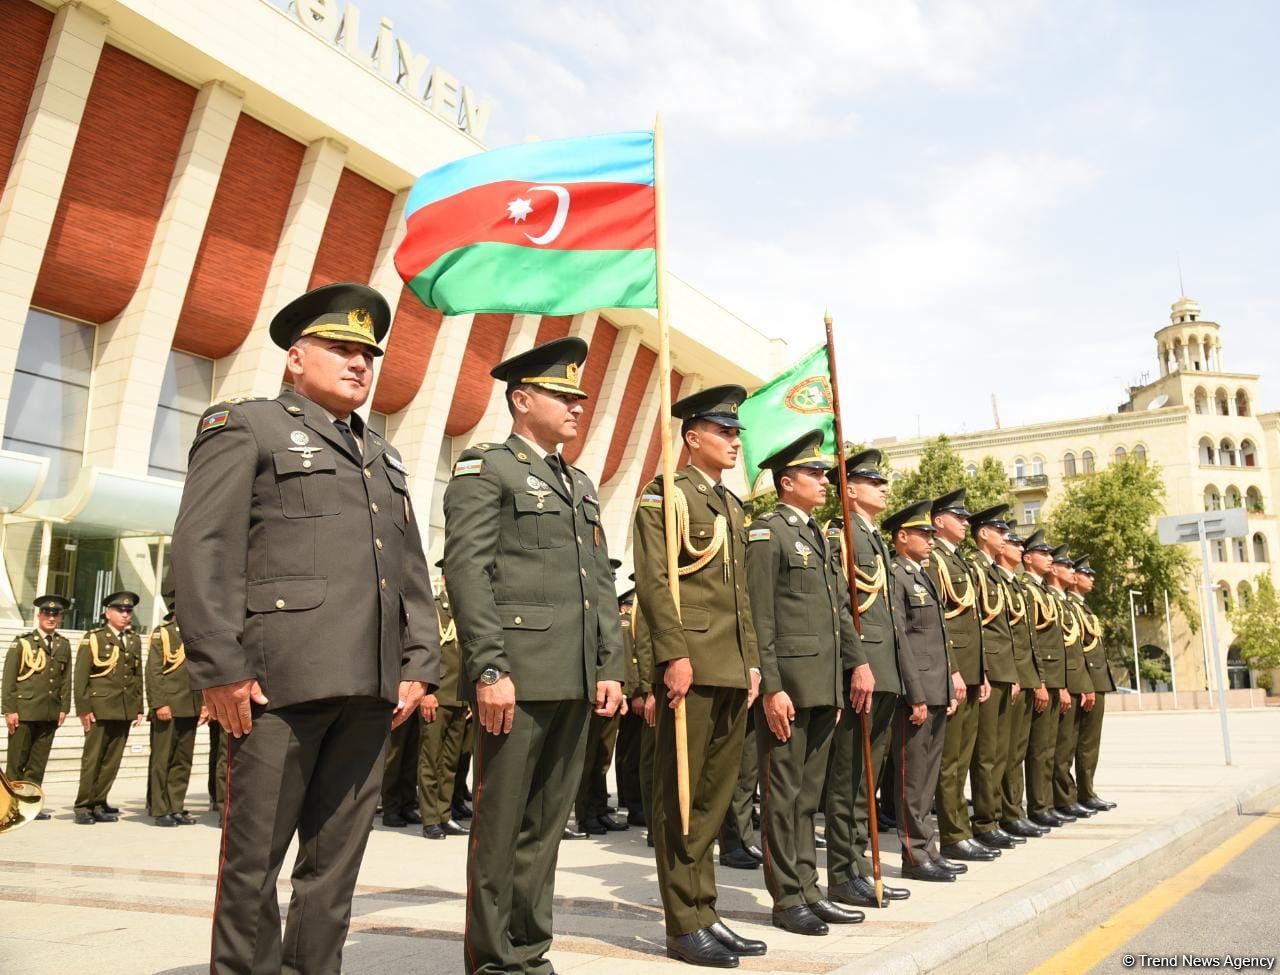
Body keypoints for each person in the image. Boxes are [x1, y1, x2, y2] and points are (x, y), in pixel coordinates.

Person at [171, 282, 440, 974]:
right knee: (252, 864)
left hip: (369, 688)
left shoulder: (383, 454)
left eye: (367, 354)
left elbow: (410, 569)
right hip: (275, 687)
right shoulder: (246, 425)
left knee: (333, 870)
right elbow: (202, 551)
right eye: (342, 348)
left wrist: (419, 662)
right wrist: (220, 667)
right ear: (296, 358)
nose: (359, 363)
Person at [444, 336, 624, 975]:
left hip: (573, 677)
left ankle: (530, 950)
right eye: (563, 395)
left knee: (545, 827)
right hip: (516, 677)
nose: (578, 406)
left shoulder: (576, 481)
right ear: (522, 401)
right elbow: (467, 571)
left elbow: (598, 583)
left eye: (580, 396)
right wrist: (489, 668)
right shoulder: (486, 467)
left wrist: (610, 666)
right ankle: (494, 960)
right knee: (500, 828)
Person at [633, 384, 764, 969]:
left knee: (712, 800)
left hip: (733, 667)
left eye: (737, 433)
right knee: (680, 800)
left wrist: (753, 661)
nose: (735, 442)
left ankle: (705, 910)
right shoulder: (667, 496)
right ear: (693, 437)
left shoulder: (733, 506)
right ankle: (683, 922)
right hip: (692, 664)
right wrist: (672, 656)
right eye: (724, 432)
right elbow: (656, 586)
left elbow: (743, 599)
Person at [747, 430, 863, 935]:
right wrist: (772, 687)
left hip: (822, 686)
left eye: (822, 473)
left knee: (807, 798)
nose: (823, 480)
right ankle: (786, 897)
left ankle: (809, 888)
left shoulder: (817, 535)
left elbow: (838, 611)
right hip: (789, 687)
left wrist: (849, 672)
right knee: (783, 794)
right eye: (814, 474)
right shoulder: (767, 532)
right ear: (786, 482)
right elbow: (760, 615)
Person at [824, 449, 909, 909]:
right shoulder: (843, 535)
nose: (884, 488)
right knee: (849, 775)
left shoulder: (871, 537)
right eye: (874, 482)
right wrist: (857, 661)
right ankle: (843, 872)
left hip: (884, 672)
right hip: (863, 671)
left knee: (867, 780)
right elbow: (841, 606)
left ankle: (859, 867)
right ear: (851, 489)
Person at [885, 500, 958, 882]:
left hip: (936, 688)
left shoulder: (922, 575)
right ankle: (914, 854)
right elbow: (901, 639)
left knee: (928, 775)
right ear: (902, 537)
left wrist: (947, 686)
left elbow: (938, 638)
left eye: (932, 533)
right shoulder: (896, 575)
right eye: (923, 534)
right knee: (912, 778)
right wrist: (914, 694)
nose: (931, 540)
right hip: (917, 692)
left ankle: (927, 846)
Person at [924, 489, 996, 865]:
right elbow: (939, 623)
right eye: (959, 517)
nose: (966, 523)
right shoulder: (934, 560)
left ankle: (962, 829)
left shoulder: (962, 563)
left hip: (969, 671)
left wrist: (979, 671)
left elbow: (975, 624)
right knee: (950, 760)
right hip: (952, 670)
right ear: (939, 522)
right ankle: (952, 834)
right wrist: (952, 669)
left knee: (965, 757)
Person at [966, 505, 1023, 851]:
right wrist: (983, 668)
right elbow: (976, 625)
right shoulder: (974, 569)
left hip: (1004, 669)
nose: (1005, 537)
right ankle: (985, 820)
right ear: (983, 534)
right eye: (999, 531)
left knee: (1001, 750)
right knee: (986, 752)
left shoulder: (996, 575)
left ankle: (998, 814)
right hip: (989, 667)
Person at [73, 590, 144, 825]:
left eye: (128, 611)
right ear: (107, 613)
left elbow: (137, 675)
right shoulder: (94, 637)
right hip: (100, 706)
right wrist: (84, 708)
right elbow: (81, 675)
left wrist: (139, 706)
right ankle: (84, 804)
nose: (125, 614)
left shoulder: (133, 639)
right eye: (120, 610)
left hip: (123, 708)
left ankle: (99, 800)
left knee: (112, 759)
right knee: (93, 758)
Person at [996, 529, 1049, 839]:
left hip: (1023, 675)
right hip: (1010, 674)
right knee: (1001, 752)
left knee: (1015, 750)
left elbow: (1030, 639)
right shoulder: (1008, 583)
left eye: (1015, 542)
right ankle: (1005, 813)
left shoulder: (1017, 586)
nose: (1014, 546)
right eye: (1013, 543)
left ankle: (1014, 810)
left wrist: (1036, 677)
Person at [2, 594, 73, 819]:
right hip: (24, 711)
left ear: (60, 618)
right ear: (38, 615)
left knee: (37, 763)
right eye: (46, 613)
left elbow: (65, 678)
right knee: (16, 762)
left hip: (49, 712)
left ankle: (29, 806)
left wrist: (64, 708)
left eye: (55, 614)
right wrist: (9, 710)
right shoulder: (22, 642)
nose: (51, 618)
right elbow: (9, 679)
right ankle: (8, 807)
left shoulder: (63, 644)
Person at [1018, 530, 1071, 829]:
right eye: (1044, 554)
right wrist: (1040, 680)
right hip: (1039, 676)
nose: (1050, 559)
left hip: (1050, 676)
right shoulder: (1026, 588)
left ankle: (1045, 804)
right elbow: (1031, 639)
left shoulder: (1044, 593)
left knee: (1048, 746)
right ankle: (1038, 806)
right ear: (1028, 558)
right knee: (1036, 748)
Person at [576, 558, 631, 835]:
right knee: (585, 759)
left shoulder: (610, 616)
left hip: (609, 689)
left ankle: (598, 809)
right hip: (589, 689)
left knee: (602, 756)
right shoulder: (586, 610)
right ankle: (584, 814)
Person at [418, 564, 471, 839]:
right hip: (437, 696)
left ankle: (444, 813)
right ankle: (430, 819)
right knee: (431, 760)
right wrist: (426, 692)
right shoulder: (433, 607)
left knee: (451, 761)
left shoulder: (467, 611)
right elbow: (425, 653)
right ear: (444, 579)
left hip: (459, 697)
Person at [145, 593, 205, 826]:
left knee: (183, 760)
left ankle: (176, 805)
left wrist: (203, 704)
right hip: (168, 705)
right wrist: (160, 703)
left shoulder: (197, 635)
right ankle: (160, 809)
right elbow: (154, 672)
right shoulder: (164, 634)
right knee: (162, 760)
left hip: (189, 705)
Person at [1048, 547, 1096, 821]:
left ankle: (1070, 796)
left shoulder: (1067, 604)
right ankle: (1057, 800)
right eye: (1068, 567)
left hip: (1074, 681)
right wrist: (1061, 685)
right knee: (1057, 747)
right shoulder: (1049, 599)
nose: (1075, 574)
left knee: (1072, 745)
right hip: (1060, 681)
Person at [1070, 558, 1117, 812]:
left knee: (1090, 743)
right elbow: (1076, 650)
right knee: (1078, 743)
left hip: (1095, 681)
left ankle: (1087, 791)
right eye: (1086, 574)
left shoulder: (1084, 608)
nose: (1092, 579)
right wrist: (1086, 684)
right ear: (1075, 578)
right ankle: (1078, 794)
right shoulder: (1071, 607)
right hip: (1085, 682)